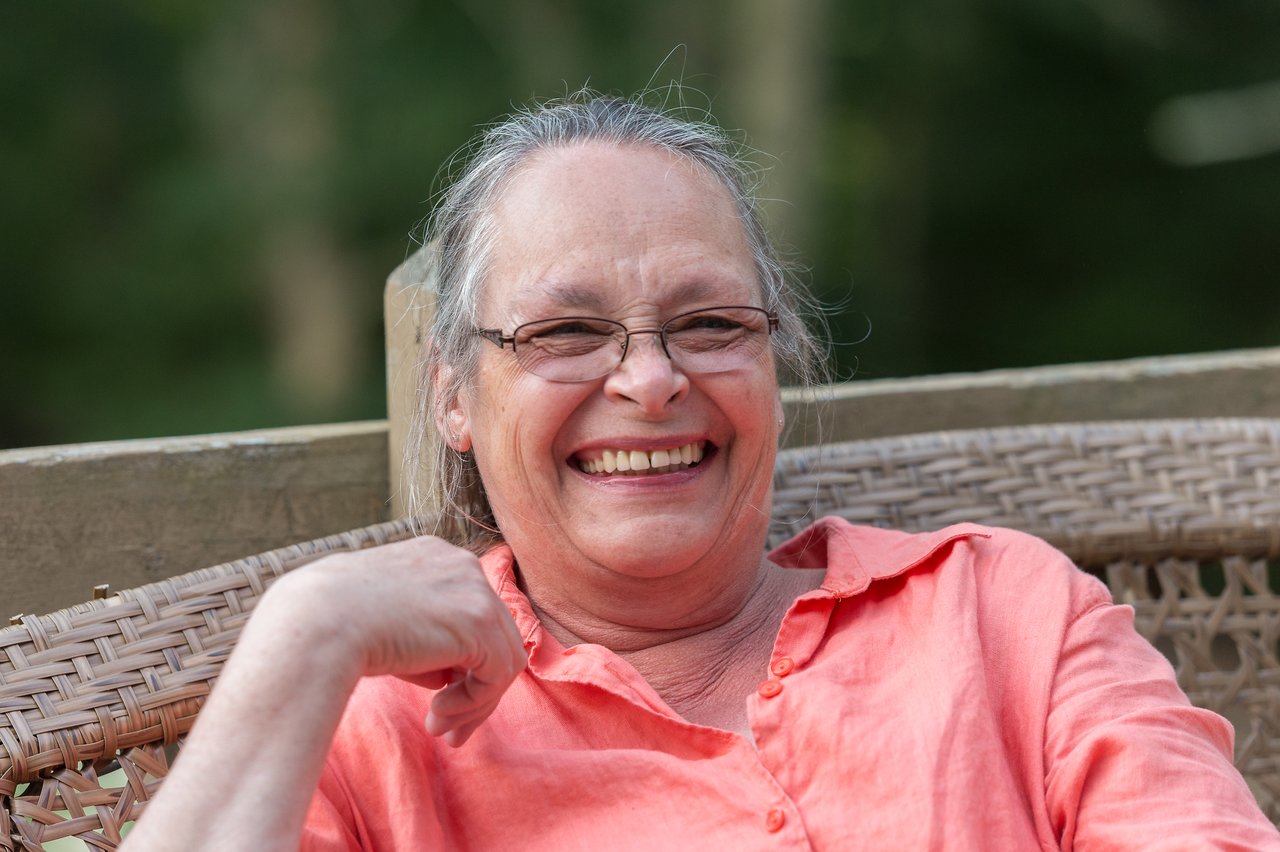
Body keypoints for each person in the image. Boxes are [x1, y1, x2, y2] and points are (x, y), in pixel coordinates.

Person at [123, 93, 1280, 851]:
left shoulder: (1005, 615)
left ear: (777, 360)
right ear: (453, 397)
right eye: (564, 333)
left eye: (709, 323)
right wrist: (305, 633)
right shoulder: (376, 730)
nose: (649, 380)